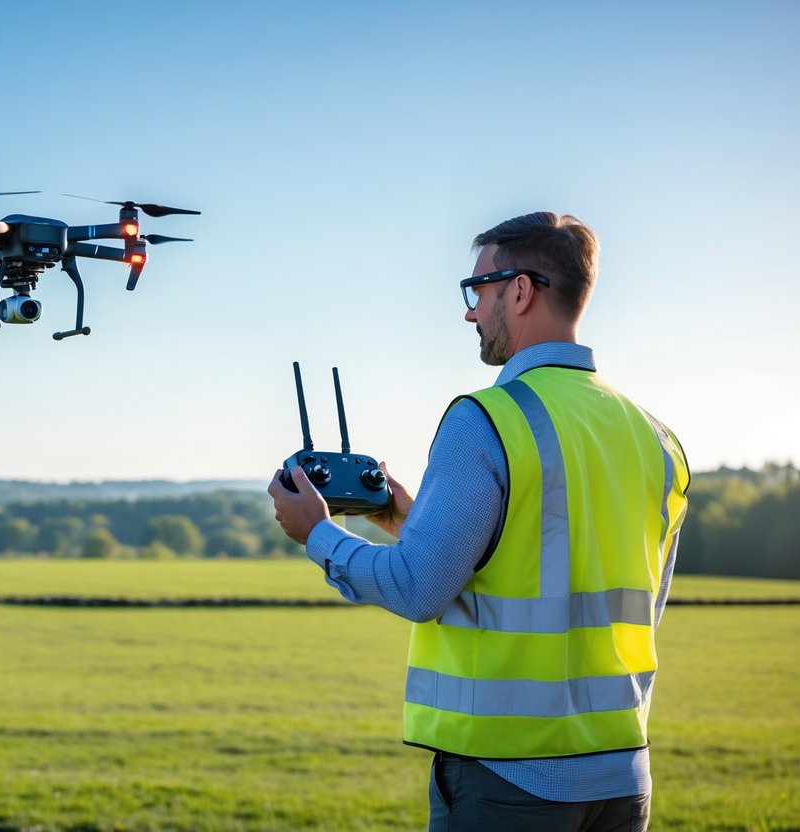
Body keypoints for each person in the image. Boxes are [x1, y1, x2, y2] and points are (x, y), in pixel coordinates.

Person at [268, 212, 689, 831]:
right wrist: (408, 518)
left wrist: (320, 535)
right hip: (622, 778)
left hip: (509, 777)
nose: (470, 312)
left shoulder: (487, 418)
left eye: (477, 291)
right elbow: (571, 570)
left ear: (520, 292)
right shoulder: (655, 438)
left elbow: (417, 588)